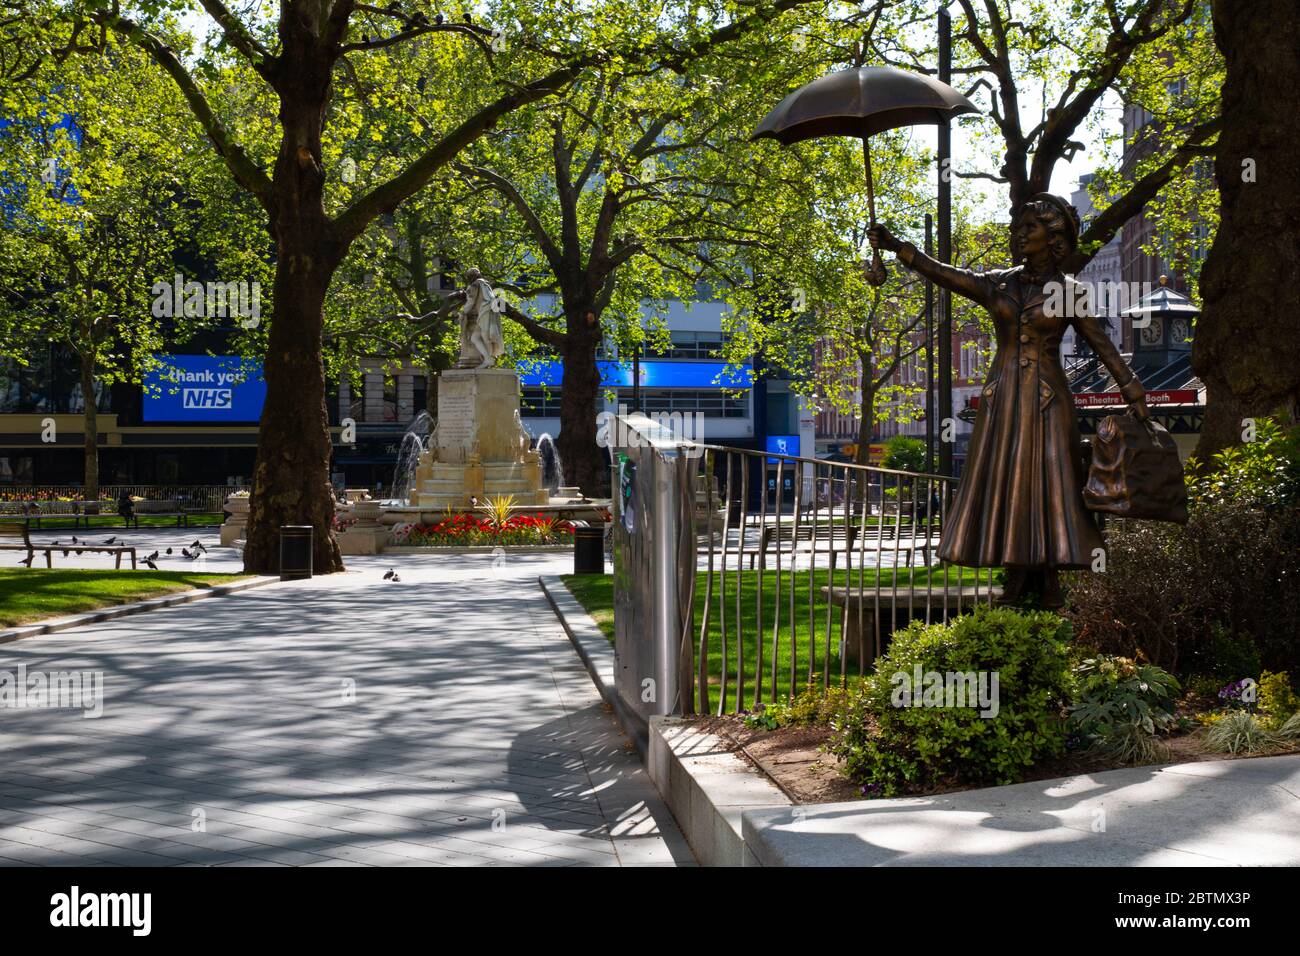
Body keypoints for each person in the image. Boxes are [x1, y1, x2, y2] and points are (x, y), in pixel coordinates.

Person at [868, 193, 1148, 608]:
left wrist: (1134, 392)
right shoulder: (998, 282)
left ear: (1053, 237)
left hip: (1048, 400)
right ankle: (1015, 573)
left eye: (1028, 228)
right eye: (1017, 228)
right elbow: (943, 273)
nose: (1018, 235)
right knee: (1008, 482)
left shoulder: (1070, 292)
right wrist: (898, 247)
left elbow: (1102, 345)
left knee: (1053, 482)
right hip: (1003, 398)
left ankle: (1051, 575)